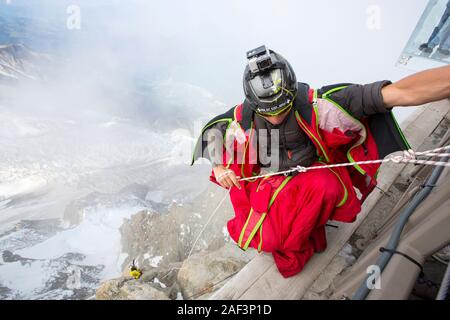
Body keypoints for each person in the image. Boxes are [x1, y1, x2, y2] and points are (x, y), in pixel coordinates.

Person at [191, 46, 450, 277]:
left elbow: (398, 93)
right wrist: (219, 166)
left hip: (310, 174)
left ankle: (304, 227)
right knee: (272, 238)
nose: (276, 119)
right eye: (267, 113)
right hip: (270, 180)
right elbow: (213, 131)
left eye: (282, 109)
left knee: (327, 187)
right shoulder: (244, 115)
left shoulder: (319, 105)